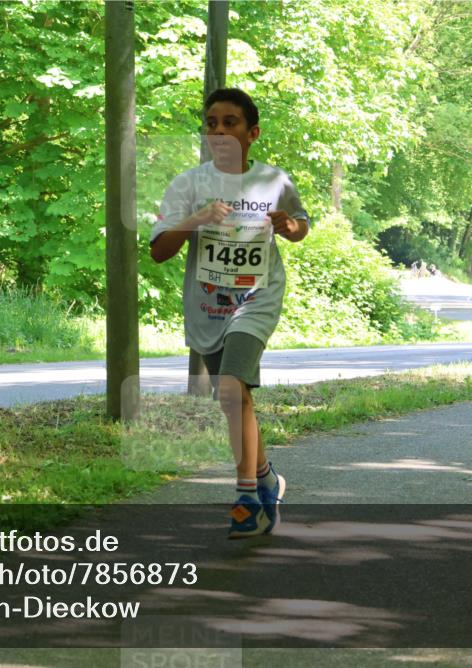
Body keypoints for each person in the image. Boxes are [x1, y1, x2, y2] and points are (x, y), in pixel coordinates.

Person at [150, 88, 307, 538]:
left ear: (252, 133)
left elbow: (299, 226)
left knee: (231, 390)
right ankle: (266, 481)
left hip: (257, 298)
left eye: (230, 123)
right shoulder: (188, 184)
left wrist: (290, 225)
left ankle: (246, 500)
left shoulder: (274, 180)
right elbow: (160, 250)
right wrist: (195, 220)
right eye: (211, 123)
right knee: (235, 399)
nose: (219, 131)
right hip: (208, 305)